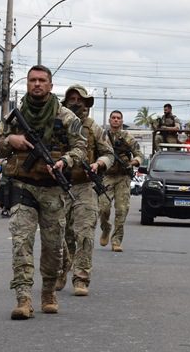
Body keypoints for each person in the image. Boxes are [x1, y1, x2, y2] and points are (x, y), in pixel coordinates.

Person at [0, 64, 86, 320]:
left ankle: (48, 293)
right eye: (32, 80)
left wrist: (64, 162)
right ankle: (23, 298)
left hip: (54, 190)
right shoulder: (15, 116)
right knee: (21, 242)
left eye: (42, 80)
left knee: (53, 247)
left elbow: (80, 149)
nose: (37, 84)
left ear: (50, 86)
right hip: (23, 186)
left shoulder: (66, 117)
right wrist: (10, 141)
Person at [56, 84, 114, 296]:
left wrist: (98, 164)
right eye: (71, 99)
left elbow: (109, 154)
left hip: (85, 186)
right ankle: (63, 268)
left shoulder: (94, 128)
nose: (76, 103)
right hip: (59, 186)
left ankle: (81, 278)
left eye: (80, 99)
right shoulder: (58, 125)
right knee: (60, 235)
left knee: (85, 233)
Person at [99, 110, 143, 252]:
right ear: (109, 120)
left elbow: (139, 154)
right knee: (103, 208)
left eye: (118, 118)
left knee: (122, 210)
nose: (116, 120)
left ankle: (116, 240)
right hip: (107, 175)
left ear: (122, 121)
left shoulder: (127, 137)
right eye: (113, 118)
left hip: (123, 176)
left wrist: (133, 162)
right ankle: (105, 228)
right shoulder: (102, 136)